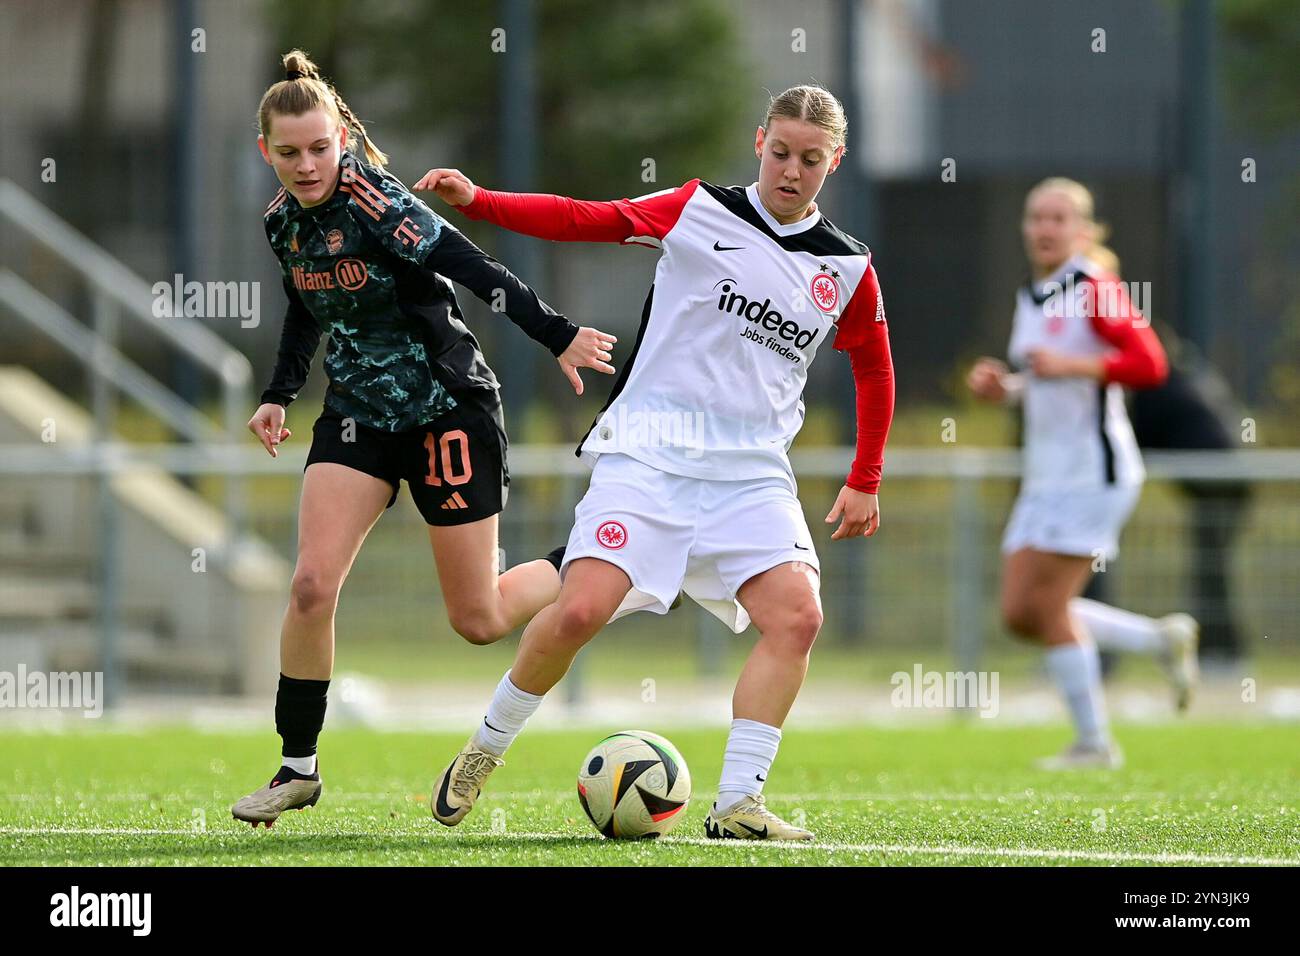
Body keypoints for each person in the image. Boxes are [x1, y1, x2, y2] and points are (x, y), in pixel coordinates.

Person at [415, 84, 895, 840]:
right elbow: (587, 218)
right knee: (577, 608)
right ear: (758, 139)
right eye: (780, 152)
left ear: (834, 160)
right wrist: (481, 200)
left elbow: (874, 367)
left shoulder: (848, 267)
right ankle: (485, 749)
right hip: (651, 454)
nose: (791, 171)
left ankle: (738, 804)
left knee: (797, 619)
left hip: (751, 474)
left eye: (810, 159)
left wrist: (865, 478)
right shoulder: (698, 209)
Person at [231, 50, 617, 827]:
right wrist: (278, 392)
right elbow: (307, 306)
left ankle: (613, 556)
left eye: (319, 148)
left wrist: (559, 334)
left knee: (477, 621)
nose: (306, 165)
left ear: (343, 138)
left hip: (447, 409)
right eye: (288, 151)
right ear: (264, 151)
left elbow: (474, 267)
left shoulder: (382, 204)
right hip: (358, 415)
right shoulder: (281, 221)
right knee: (311, 586)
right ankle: (297, 768)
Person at [966, 177, 1198, 770]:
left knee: (1047, 606)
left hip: (1094, 471)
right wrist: (1006, 388)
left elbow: (1150, 363)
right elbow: (1046, 383)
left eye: (1058, 219)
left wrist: (1071, 362)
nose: (1045, 229)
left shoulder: (1093, 285)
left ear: (1084, 232)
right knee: (1021, 613)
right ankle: (1157, 639)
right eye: (1036, 217)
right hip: (1047, 475)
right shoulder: (1032, 293)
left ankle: (1095, 744)